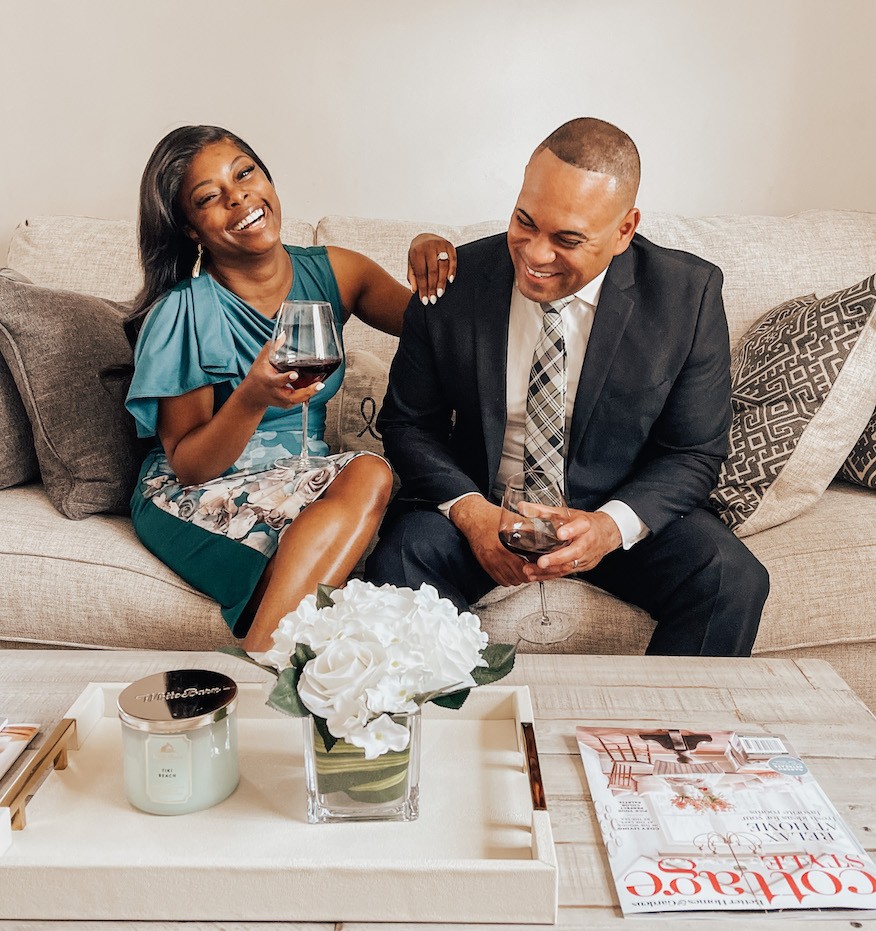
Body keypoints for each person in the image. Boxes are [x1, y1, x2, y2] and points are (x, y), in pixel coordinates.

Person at [365, 117, 769, 656]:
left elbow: (693, 452)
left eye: (567, 239)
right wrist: (473, 514)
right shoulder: (453, 281)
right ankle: (451, 728)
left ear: (625, 229)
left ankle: (657, 736)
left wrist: (609, 527)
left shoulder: (686, 297)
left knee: (731, 578)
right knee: (399, 560)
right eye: (524, 222)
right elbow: (408, 424)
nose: (533, 254)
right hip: (485, 507)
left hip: (610, 510)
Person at [125, 125, 456, 652]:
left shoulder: (337, 272)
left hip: (304, 479)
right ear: (191, 229)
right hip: (197, 490)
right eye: (209, 198)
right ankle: (262, 669)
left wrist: (431, 257)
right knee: (367, 479)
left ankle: (260, 669)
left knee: (372, 479)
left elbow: (440, 325)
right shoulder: (182, 313)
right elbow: (188, 465)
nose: (238, 198)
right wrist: (253, 396)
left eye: (245, 173)